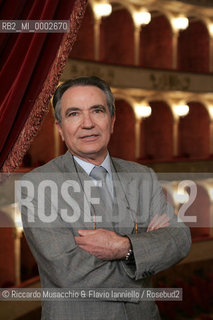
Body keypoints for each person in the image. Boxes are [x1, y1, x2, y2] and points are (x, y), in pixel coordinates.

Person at [18, 76, 191, 320]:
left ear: (112, 120)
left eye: (97, 111)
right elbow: (69, 274)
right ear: (59, 128)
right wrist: (146, 252)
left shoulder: (142, 176)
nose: (87, 123)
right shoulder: (36, 185)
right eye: (74, 114)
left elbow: (180, 240)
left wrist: (125, 248)